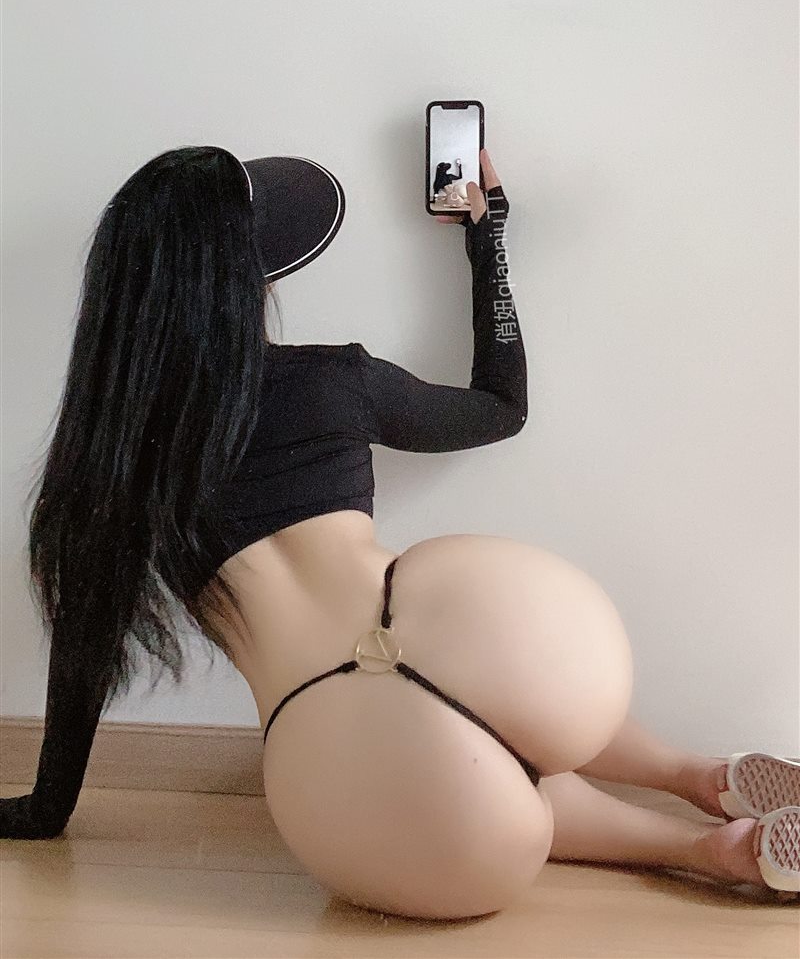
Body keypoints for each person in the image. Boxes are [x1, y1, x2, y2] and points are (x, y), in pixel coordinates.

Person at [1, 142, 797, 919]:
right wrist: (488, 240)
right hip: (486, 634)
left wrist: (45, 807)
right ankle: (697, 775)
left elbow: (82, 660)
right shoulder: (333, 379)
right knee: (491, 690)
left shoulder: (105, 468)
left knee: (470, 772)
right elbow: (501, 406)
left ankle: (706, 850)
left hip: (331, 747)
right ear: (252, 277)